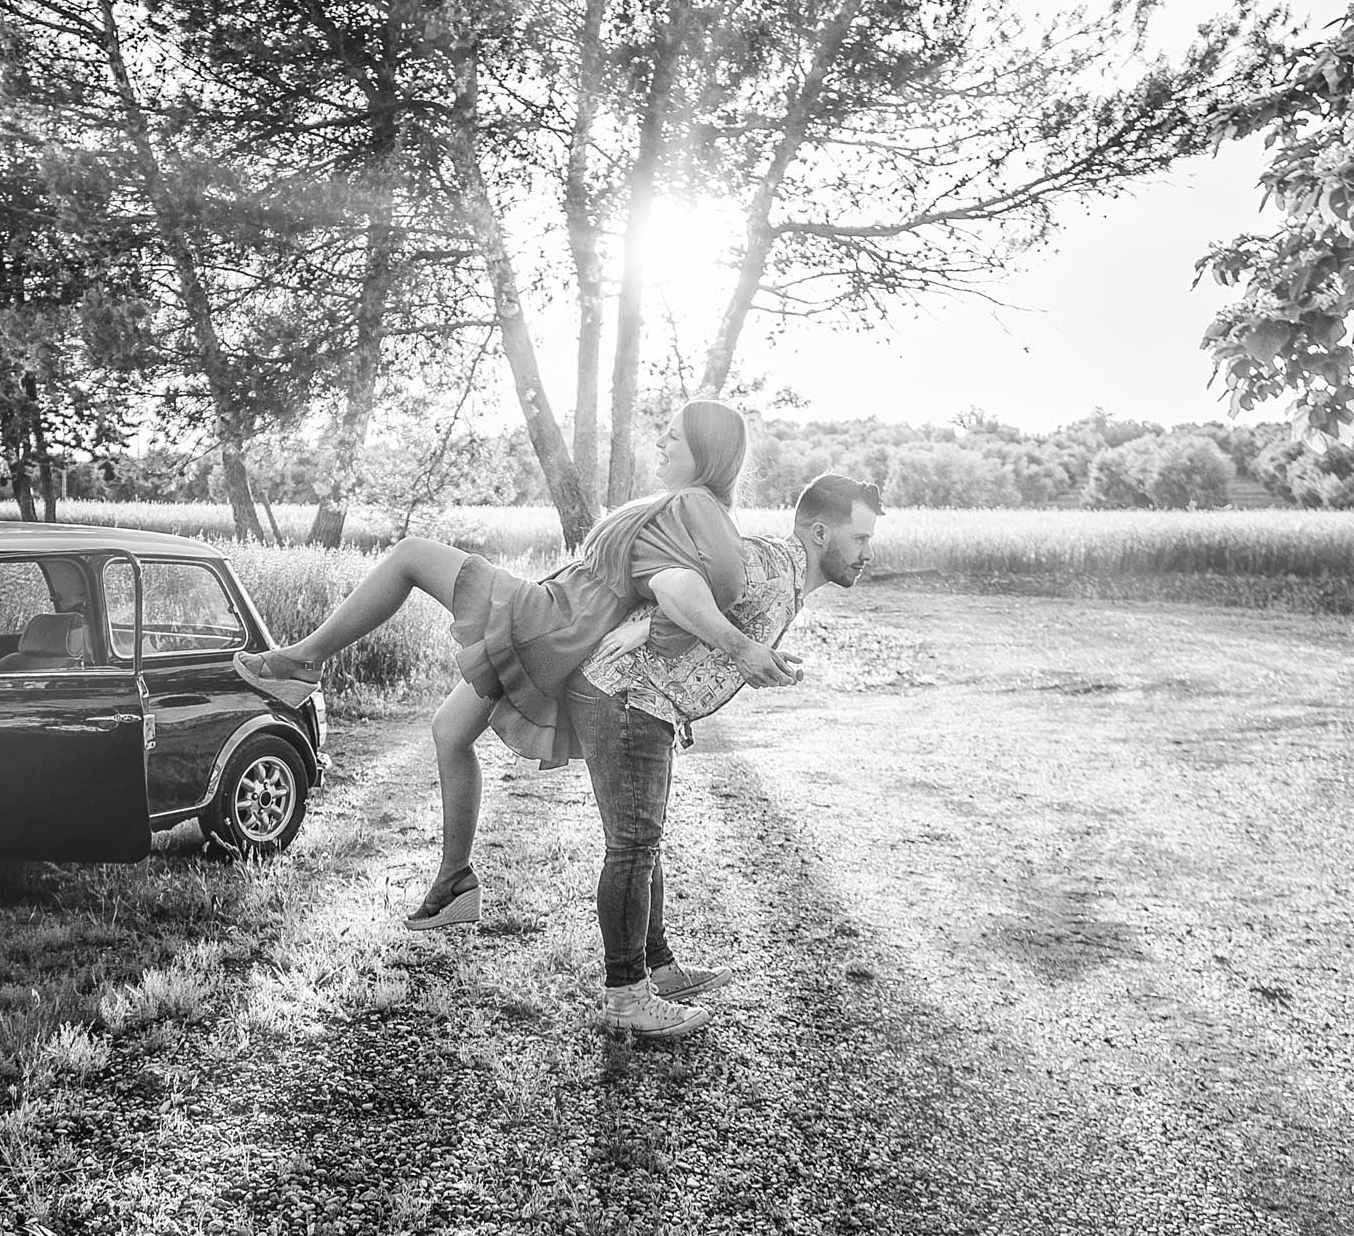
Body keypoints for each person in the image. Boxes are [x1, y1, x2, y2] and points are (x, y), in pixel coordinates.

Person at [236, 400, 795, 929]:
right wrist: (652, 622)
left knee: (408, 555)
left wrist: (669, 629)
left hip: (552, 619)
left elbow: (724, 589)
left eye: (672, 435)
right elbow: (688, 586)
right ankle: (455, 883)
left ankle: (304, 660)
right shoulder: (693, 510)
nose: (660, 441)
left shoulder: (696, 506)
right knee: (450, 731)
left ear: (707, 450)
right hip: (559, 622)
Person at [565, 472, 883, 1038]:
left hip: (644, 702)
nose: (866, 552)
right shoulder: (771, 563)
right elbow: (675, 582)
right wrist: (741, 649)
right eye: (859, 539)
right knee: (633, 848)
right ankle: (625, 997)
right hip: (627, 696)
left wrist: (731, 649)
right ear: (819, 532)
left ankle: (657, 970)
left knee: (643, 843)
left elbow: (699, 606)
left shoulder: (785, 582)